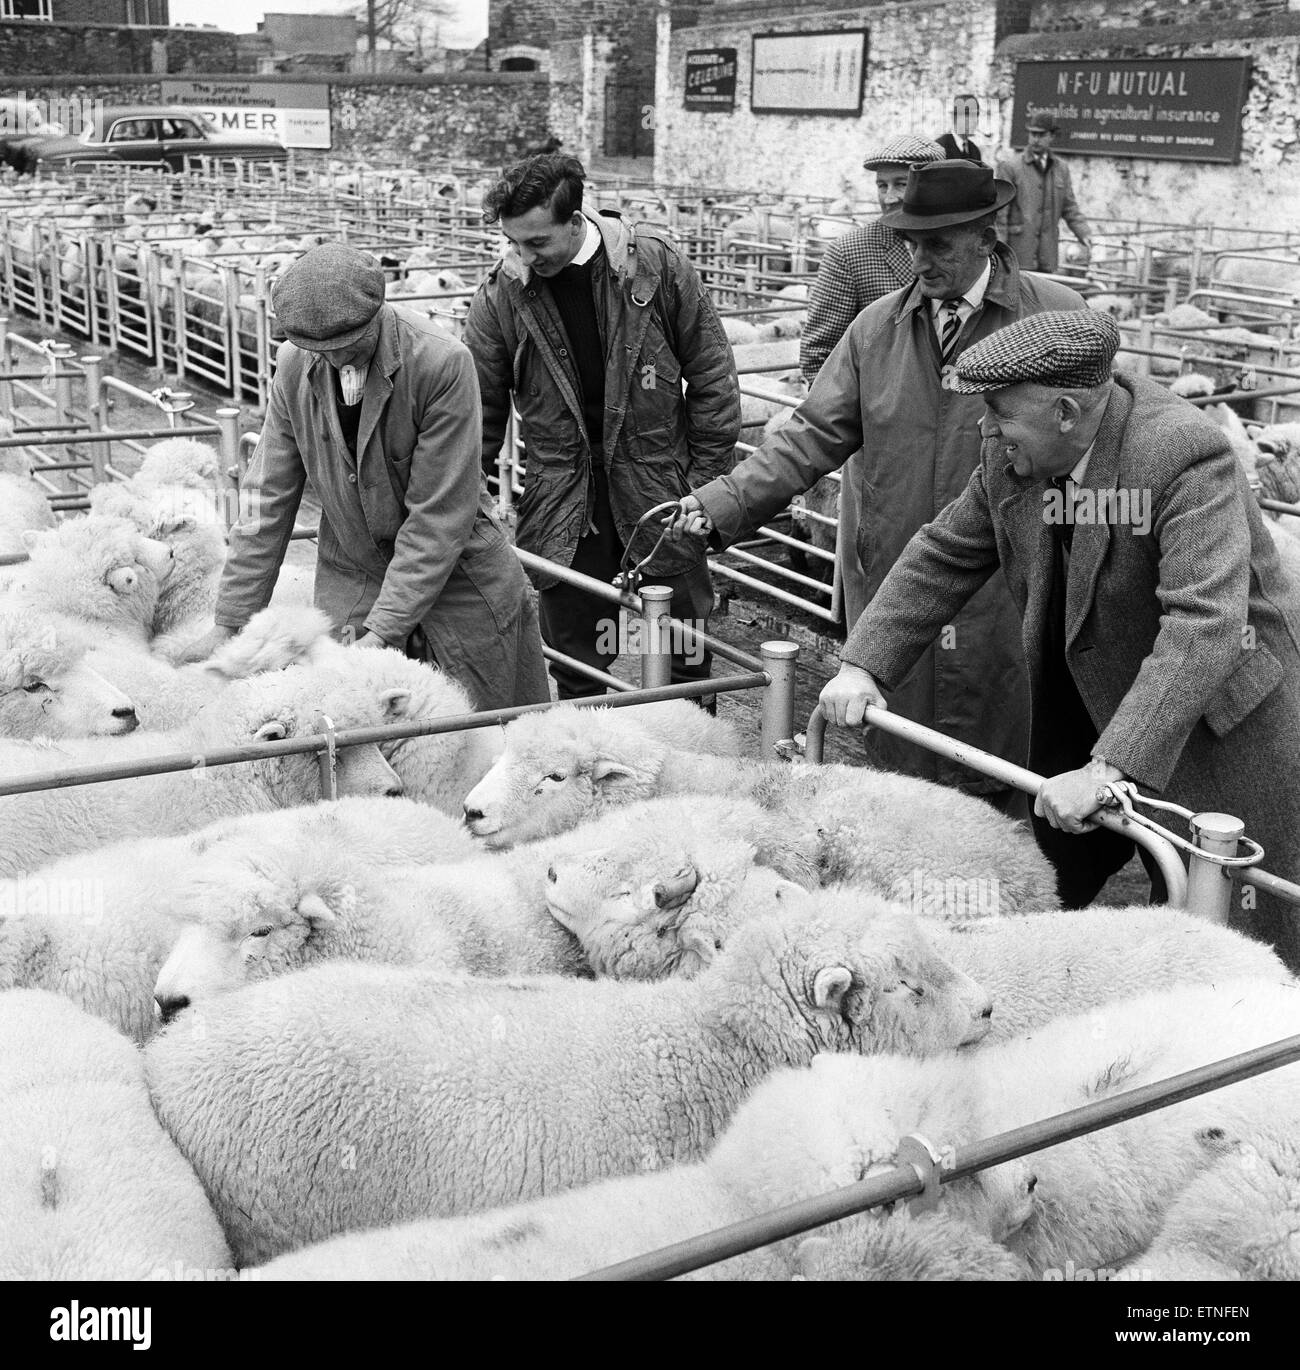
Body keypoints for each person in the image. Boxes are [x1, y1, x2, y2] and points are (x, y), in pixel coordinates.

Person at [818, 309, 1300, 969]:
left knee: (1232, 927)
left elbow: (1203, 624)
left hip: (1210, 725)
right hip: (1084, 709)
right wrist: (863, 665)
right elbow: (944, 554)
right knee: (1034, 892)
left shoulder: (1182, 453)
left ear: (1068, 412)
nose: (986, 427)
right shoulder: (1011, 454)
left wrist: (1109, 769)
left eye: (999, 411)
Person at [669, 160, 1085, 812]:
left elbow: (1097, 438)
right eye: (909, 243)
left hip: (1011, 585)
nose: (918, 259)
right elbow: (808, 436)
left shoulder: (1054, 316)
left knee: (1006, 763)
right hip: (896, 577)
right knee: (899, 767)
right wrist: (722, 502)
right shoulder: (877, 330)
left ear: (985, 233)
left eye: (937, 244)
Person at [179, 242, 550, 713]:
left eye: (343, 346)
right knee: (351, 735)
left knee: (474, 735)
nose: (330, 360)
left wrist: (383, 634)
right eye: (315, 350)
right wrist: (229, 622)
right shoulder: (295, 365)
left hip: (458, 583)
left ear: (376, 315)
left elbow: (438, 515)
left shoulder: (441, 362)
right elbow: (266, 495)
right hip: (353, 576)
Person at [463, 153, 740, 701]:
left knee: (681, 646)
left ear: (575, 219)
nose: (523, 255)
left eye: (536, 242)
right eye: (513, 242)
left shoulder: (655, 268)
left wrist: (708, 487)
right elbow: (479, 404)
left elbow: (712, 375)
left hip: (660, 489)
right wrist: (475, 495)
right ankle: (585, 773)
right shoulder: (504, 291)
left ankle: (687, 762)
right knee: (575, 658)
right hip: (563, 493)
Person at [800, 132, 944, 623]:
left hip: (956, 444)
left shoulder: (966, 248)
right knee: (880, 567)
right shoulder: (852, 254)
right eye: (881, 185)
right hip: (882, 446)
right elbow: (819, 351)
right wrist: (859, 421)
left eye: (900, 183)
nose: (888, 196)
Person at [995, 113, 1093, 274]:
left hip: (1047, 255)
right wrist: (1000, 251)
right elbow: (1000, 215)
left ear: (1052, 136)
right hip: (1018, 253)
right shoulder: (1011, 167)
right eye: (1033, 134)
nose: (1035, 139)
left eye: (1041, 135)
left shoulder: (1061, 168)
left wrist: (1084, 233)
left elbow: (1070, 208)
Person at [935, 94, 984, 163]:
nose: (975, 121)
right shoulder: (940, 147)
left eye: (976, 115)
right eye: (968, 115)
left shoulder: (975, 151)